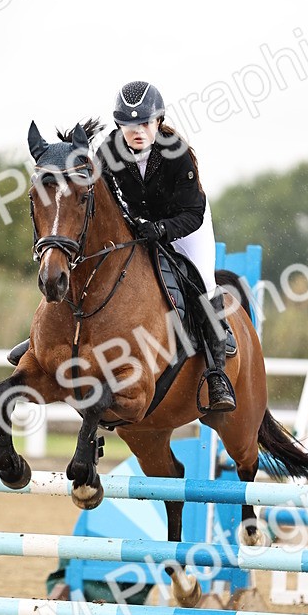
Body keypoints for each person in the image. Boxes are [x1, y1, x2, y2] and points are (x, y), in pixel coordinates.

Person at [94, 80, 236, 413]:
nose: (138, 132)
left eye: (145, 123)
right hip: (137, 225)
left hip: (183, 224)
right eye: (129, 125)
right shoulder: (108, 153)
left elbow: (192, 213)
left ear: (158, 121)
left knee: (203, 283)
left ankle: (216, 375)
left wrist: (161, 229)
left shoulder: (176, 153)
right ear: (119, 126)